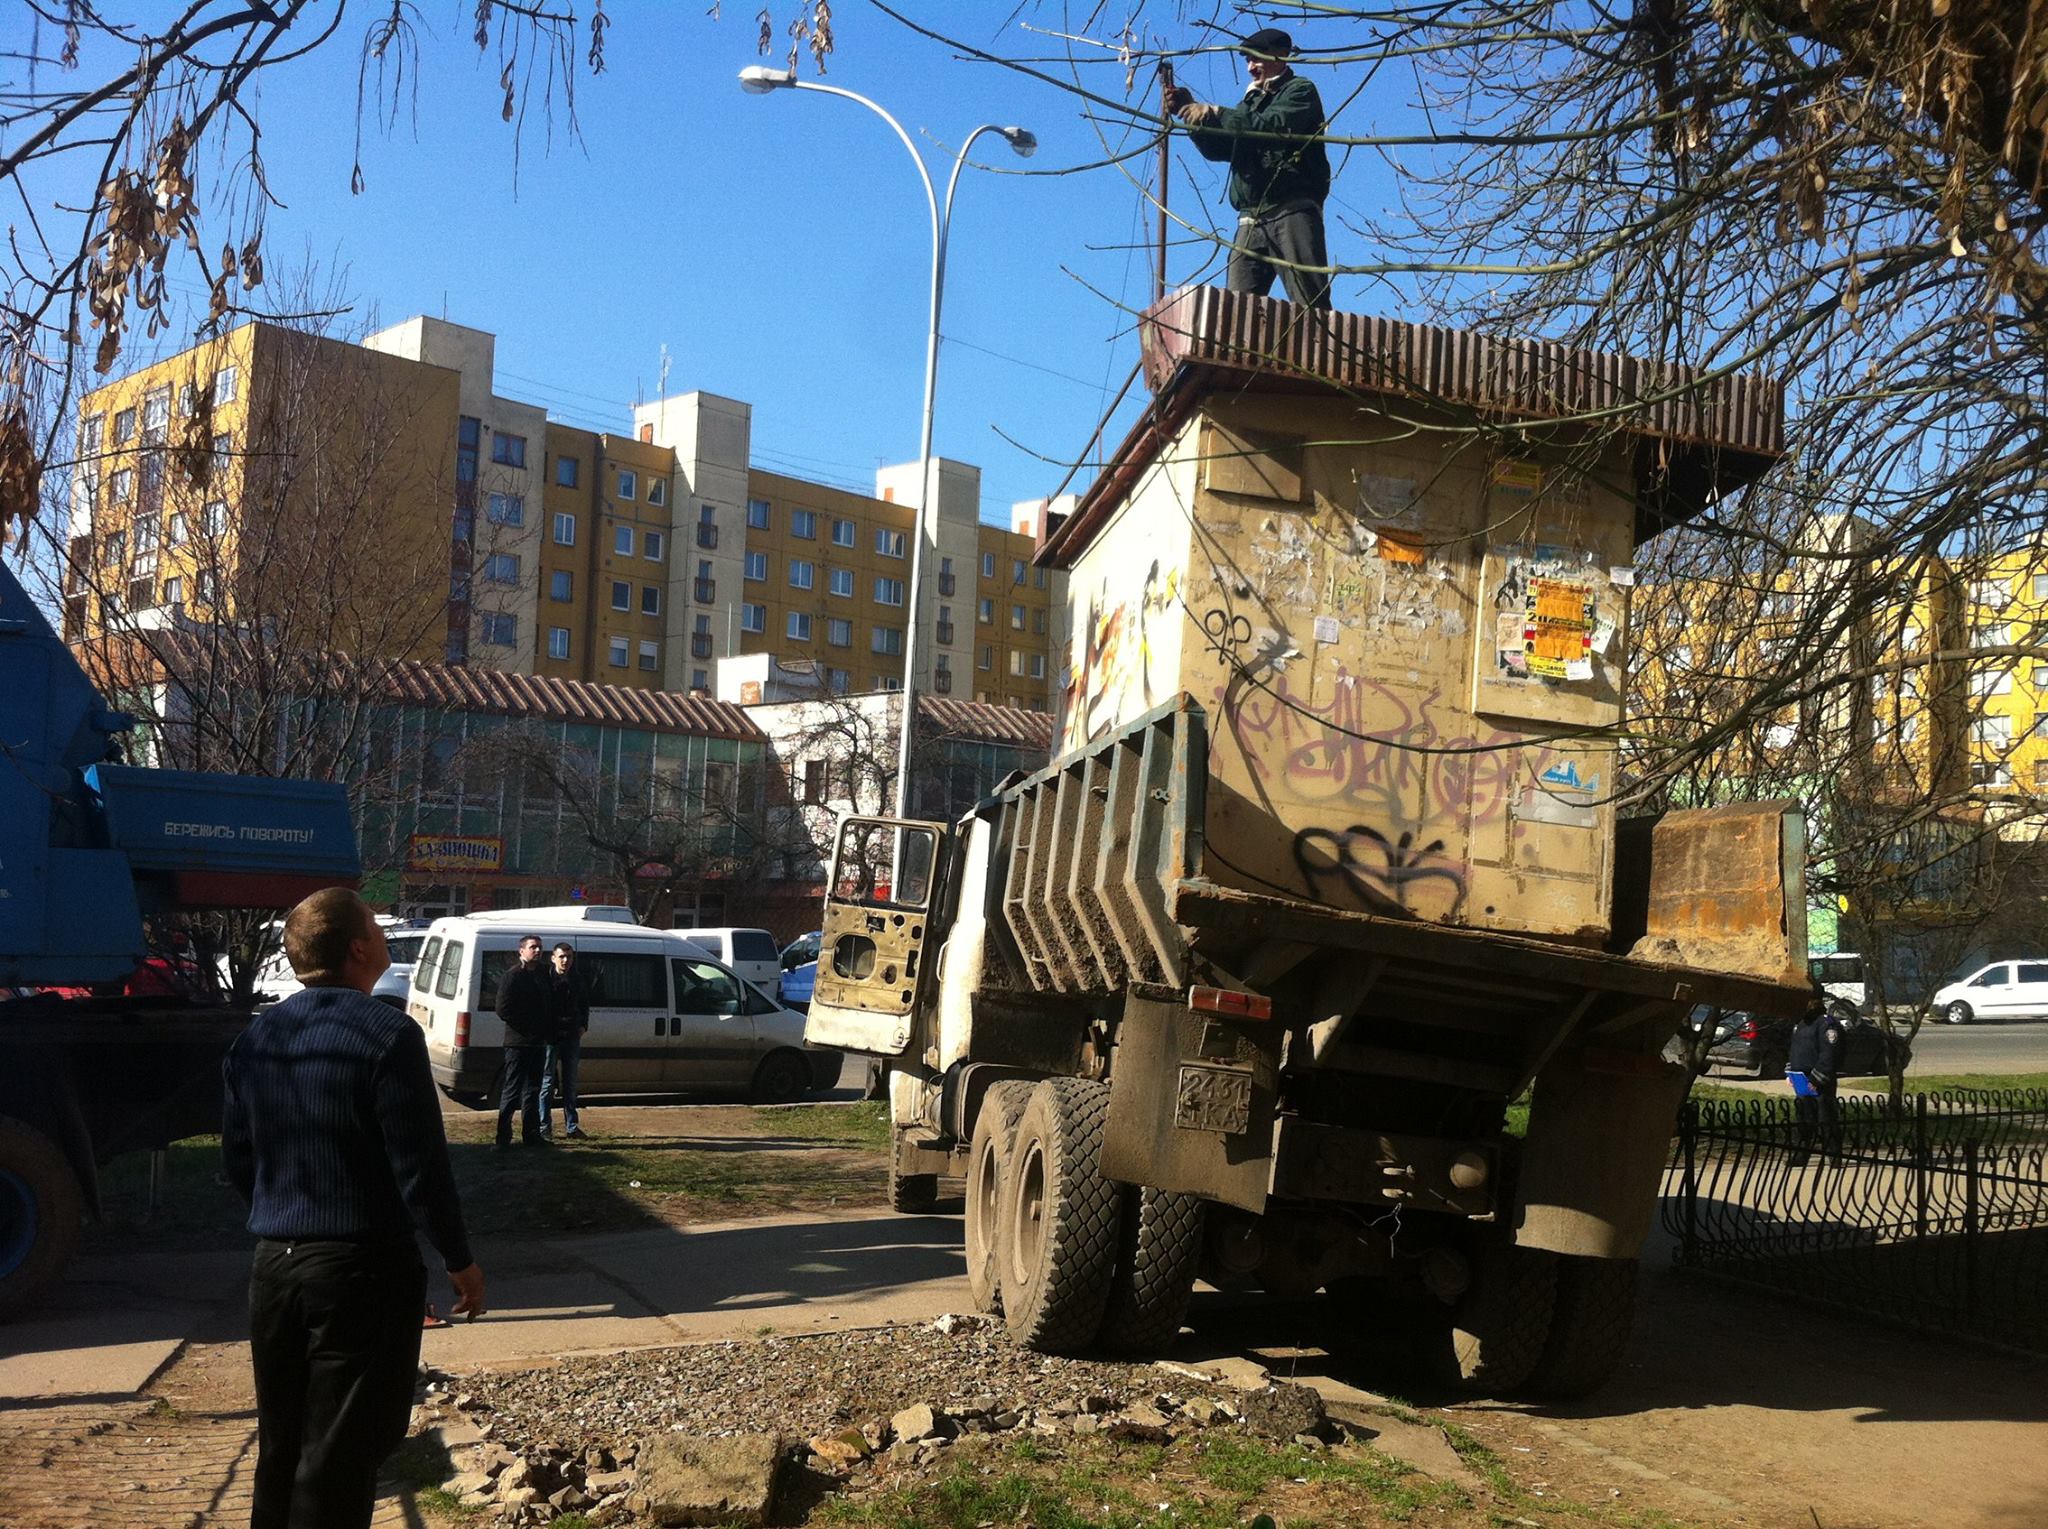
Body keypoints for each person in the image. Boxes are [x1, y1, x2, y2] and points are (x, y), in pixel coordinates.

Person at [221, 887, 485, 1529]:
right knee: (340, 1455)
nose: (385, 934)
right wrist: (459, 1259)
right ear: (359, 948)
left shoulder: (257, 1038)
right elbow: (420, 1167)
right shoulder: (387, 1035)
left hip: (276, 1267)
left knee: (282, 1444)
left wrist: (284, 1212)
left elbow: (238, 1158)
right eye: (376, 924)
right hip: (360, 1271)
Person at [1164, 28, 1334, 309]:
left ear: (1280, 55)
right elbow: (1222, 149)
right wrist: (1192, 117)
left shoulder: (1300, 91)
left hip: (1291, 209)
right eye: (1246, 60)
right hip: (1251, 216)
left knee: (1310, 301)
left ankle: (1320, 338)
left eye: (1255, 58)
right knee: (1235, 309)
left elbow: (1266, 128)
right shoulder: (1250, 102)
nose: (1250, 67)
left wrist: (1215, 113)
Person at [495, 935, 553, 1147]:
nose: (537, 951)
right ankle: (503, 1138)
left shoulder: (543, 974)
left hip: (538, 1042)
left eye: (539, 948)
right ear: (522, 951)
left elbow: (548, 1004)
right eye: (532, 947)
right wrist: (527, 1026)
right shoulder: (512, 975)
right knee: (512, 1090)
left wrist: (545, 1029)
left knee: (533, 1090)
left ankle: (531, 1135)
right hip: (517, 1042)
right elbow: (502, 1009)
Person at [1786, 986, 1846, 1164]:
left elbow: (1829, 1054)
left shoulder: (1826, 1024)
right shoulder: (1801, 1024)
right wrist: (1790, 1072)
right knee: (1804, 1120)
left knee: (1826, 1119)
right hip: (1801, 1080)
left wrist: (1816, 1079)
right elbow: (1795, 1051)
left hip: (1819, 1081)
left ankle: (1834, 1156)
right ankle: (1801, 1155)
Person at [539, 942, 591, 1140]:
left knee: (570, 1084)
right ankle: (544, 1127)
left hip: (571, 1037)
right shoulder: (545, 979)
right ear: (553, 958)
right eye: (561, 956)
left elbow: (585, 1005)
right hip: (550, 1038)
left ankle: (572, 1126)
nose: (565, 960)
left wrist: (583, 1025)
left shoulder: (577, 979)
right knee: (547, 1083)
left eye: (569, 956)